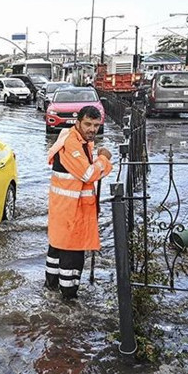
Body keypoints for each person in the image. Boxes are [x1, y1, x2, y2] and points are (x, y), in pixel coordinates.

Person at [45, 105, 113, 300]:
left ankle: (51, 292)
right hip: (71, 211)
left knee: (57, 249)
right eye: (88, 124)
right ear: (78, 123)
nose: (92, 129)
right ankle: (68, 301)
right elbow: (88, 174)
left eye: (96, 125)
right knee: (71, 257)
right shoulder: (73, 144)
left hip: (65, 208)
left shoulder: (76, 138)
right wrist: (104, 159)